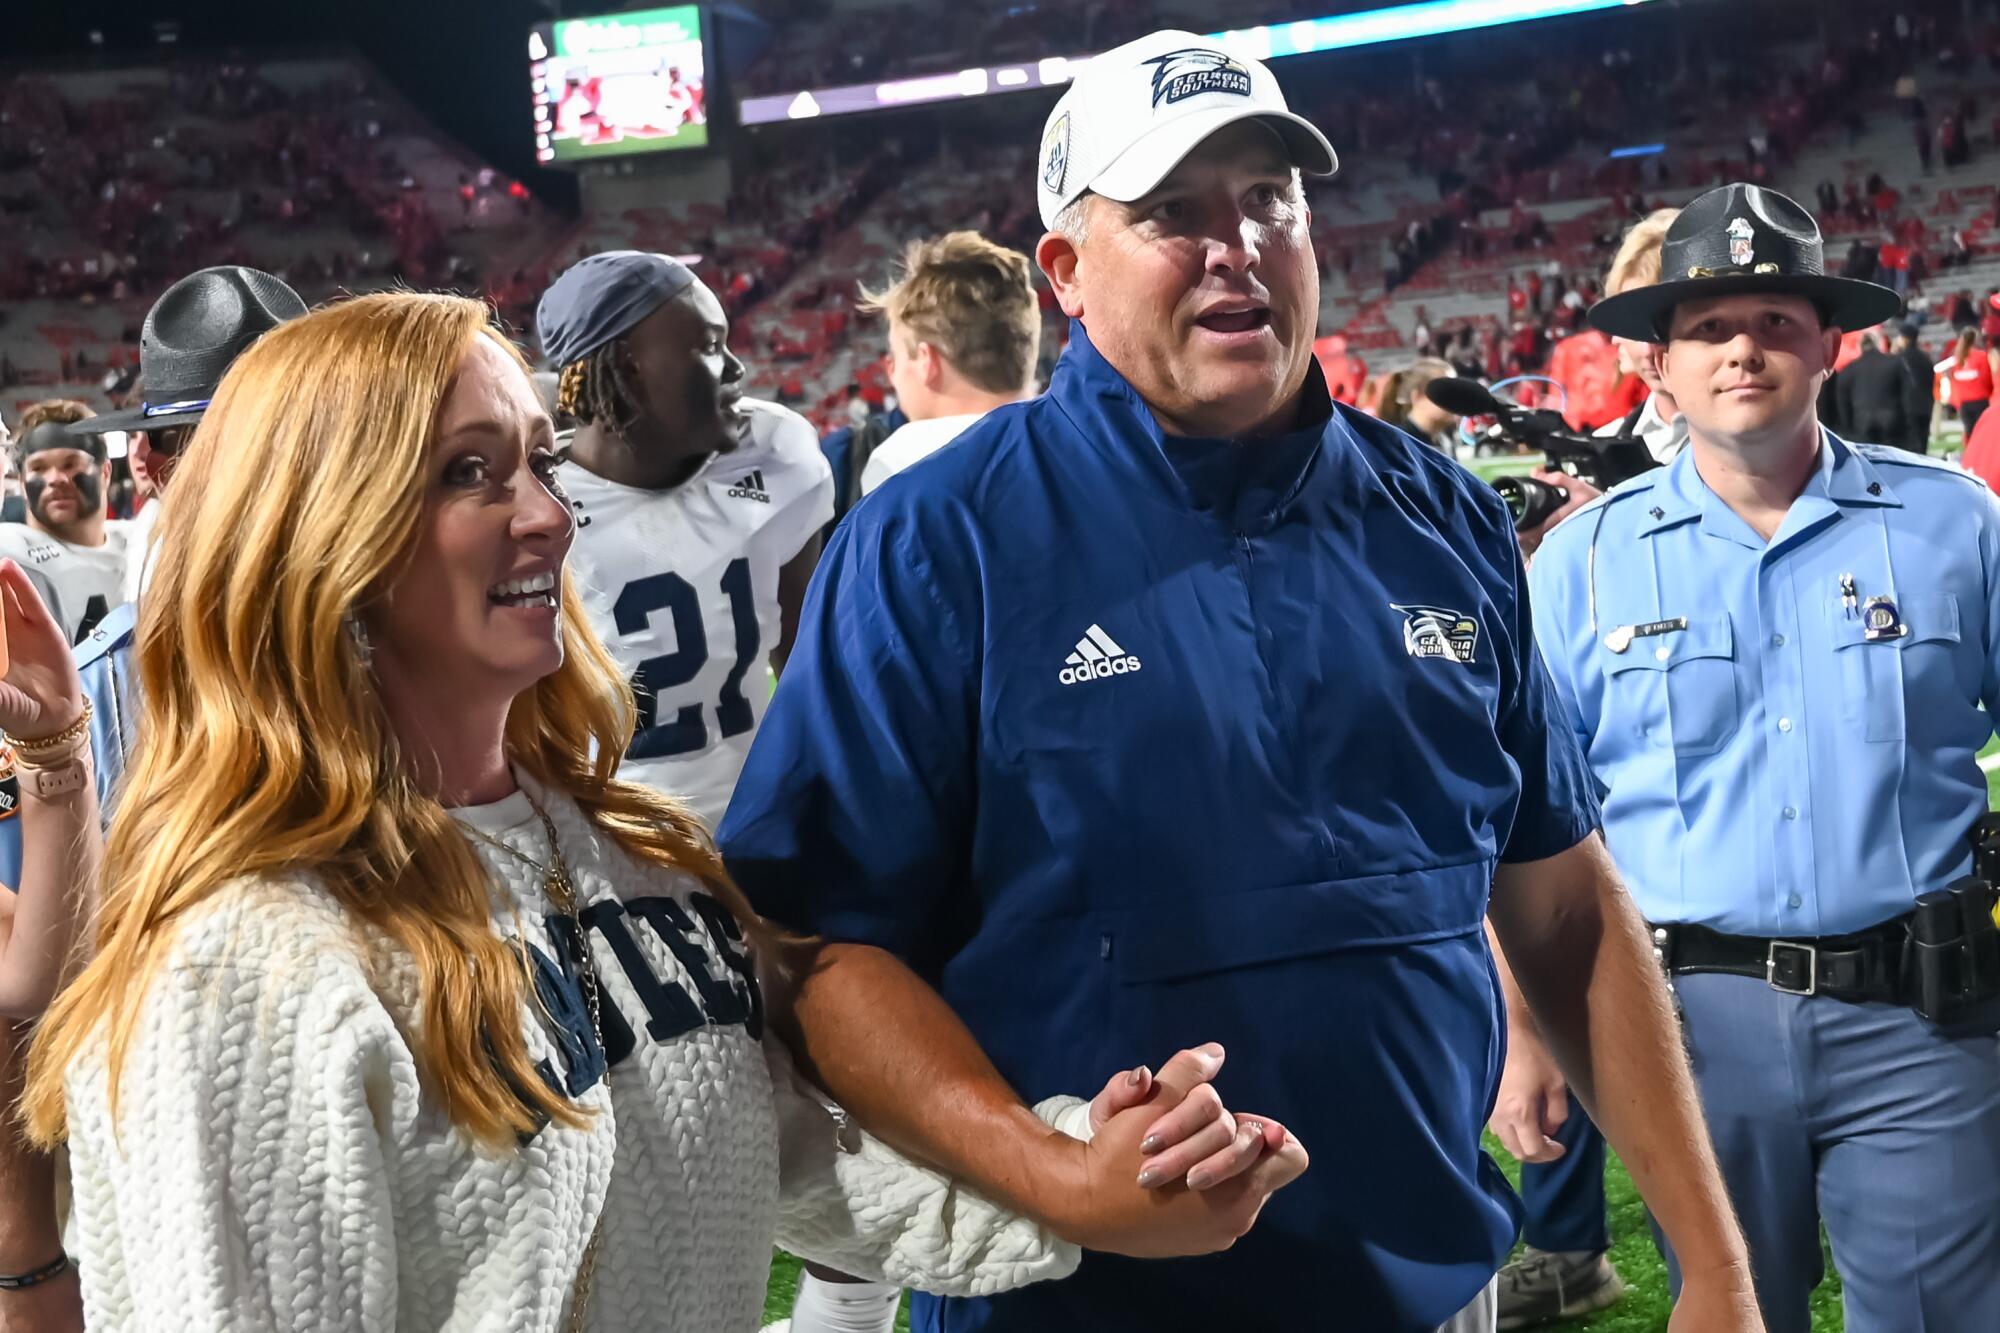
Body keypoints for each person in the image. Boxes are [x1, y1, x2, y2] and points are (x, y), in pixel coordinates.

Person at [718, 30, 1756, 1333]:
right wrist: (1062, 1179)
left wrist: (1713, 1264)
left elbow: (1561, 911)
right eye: (1171, 213)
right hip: (1067, 1312)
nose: (1239, 244)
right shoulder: (938, 543)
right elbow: (816, 945)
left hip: (1426, 1293)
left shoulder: (1439, 514)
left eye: (1271, 199)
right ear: (1065, 274)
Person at [18, 291, 1306, 1332]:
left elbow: (799, 1161)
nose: (542, 515)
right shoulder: (239, 965)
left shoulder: (636, 858)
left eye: (535, 460)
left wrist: (1090, 1169)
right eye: (470, 474)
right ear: (324, 539)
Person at [1533, 183, 2000, 1333]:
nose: (1743, 349)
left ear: (1828, 345)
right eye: (1706, 328)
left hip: (1922, 1021)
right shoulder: (1580, 563)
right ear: (1659, 367)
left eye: (1774, 321)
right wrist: (1520, 1031)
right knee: (1729, 1314)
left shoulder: (1955, 524)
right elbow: (1518, 818)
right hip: (1682, 1027)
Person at [536, 253, 833, 828]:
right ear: (626, 368)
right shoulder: (535, 506)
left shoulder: (777, 453)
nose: (737, 370)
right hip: (614, 844)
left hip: (763, 822)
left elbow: (806, 665)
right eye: (709, 346)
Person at [1516, 210, 1684, 560]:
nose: (1651, 346)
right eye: (1633, 322)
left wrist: (1608, 522)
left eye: (1665, 321)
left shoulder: (1768, 442)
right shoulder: (1595, 448)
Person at [857, 231, 1040, 495]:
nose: (892, 372)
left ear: (925, 360)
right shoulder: (1087, 439)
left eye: (896, 356)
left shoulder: (903, 464)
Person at [0, 402, 134, 642]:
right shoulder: (12, 550)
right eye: (39, 468)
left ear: (105, 472)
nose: (55, 479)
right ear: (22, 482)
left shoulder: (139, 541)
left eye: (70, 464)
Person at [1836, 329, 1925, 455]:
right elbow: (1908, 397)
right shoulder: (1895, 363)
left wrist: (1848, 429)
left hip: (1861, 423)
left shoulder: (1849, 370)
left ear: (1860, 347)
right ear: (1879, 344)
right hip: (1893, 424)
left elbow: (1843, 404)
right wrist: (1910, 425)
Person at [1935, 325, 1996, 438]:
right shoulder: (1982, 356)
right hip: (1981, 401)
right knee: (1983, 434)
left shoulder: (1957, 359)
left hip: (1964, 404)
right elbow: (1988, 379)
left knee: (1970, 434)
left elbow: (1952, 380)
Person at [1889, 321, 1934, 452]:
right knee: (1922, 445)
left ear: (1905, 339)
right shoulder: (1926, 359)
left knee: (1909, 448)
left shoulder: (1899, 359)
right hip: (1925, 406)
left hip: (1906, 408)